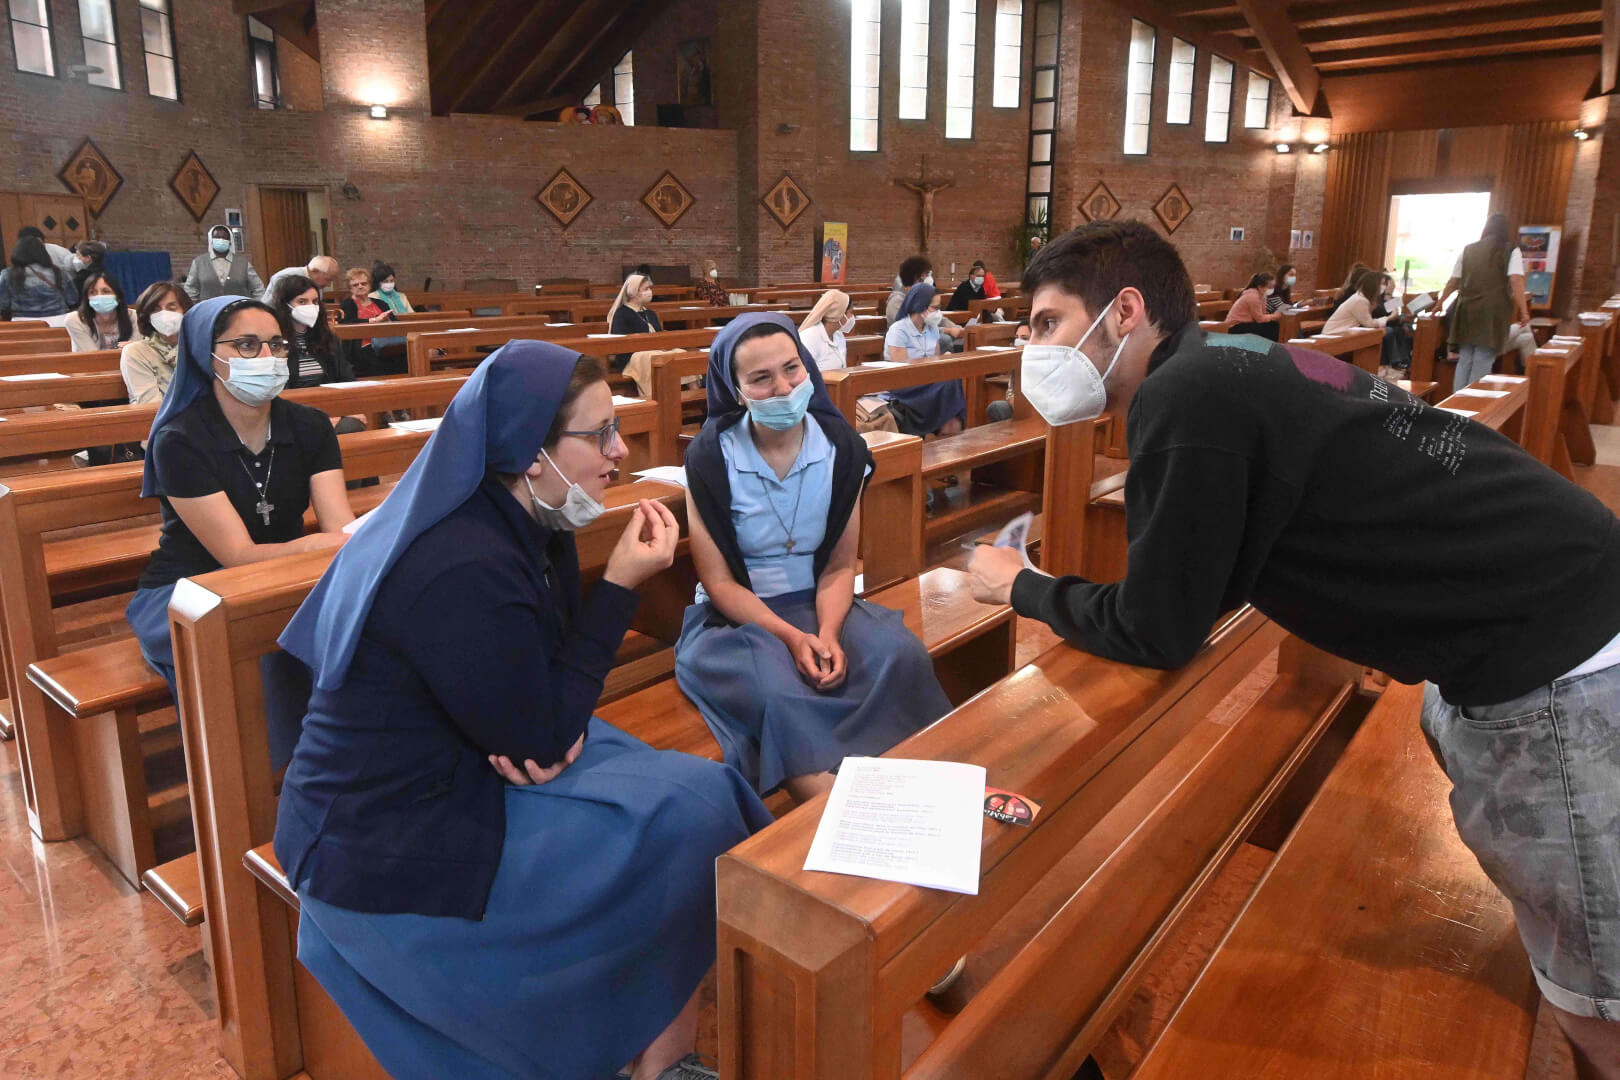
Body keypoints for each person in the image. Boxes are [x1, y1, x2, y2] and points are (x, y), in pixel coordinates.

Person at [965, 219, 1620, 1080]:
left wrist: (1019, 585)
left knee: (1599, 1006)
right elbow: (1213, 570)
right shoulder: (1231, 359)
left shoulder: (1184, 394)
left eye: (1047, 322)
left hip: (1557, 664)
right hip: (1557, 612)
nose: (1033, 348)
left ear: (1125, 312)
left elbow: (1160, 628)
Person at [272, 340, 770, 1080]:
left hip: (465, 758)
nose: (620, 451)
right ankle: (636, 1048)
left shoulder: (526, 518)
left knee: (697, 794)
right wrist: (619, 587)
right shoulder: (460, 561)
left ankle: (663, 1055)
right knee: (691, 818)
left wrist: (545, 727)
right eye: (600, 434)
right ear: (532, 454)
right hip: (386, 832)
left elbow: (543, 698)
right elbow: (540, 738)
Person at [678, 314, 950, 799]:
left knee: (898, 655)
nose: (783, 388)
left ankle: (924, 788)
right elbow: (719, 583)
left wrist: (826, 633)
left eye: (791, 369)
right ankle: (834, 812)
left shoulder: (841, 448)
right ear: (735, 390)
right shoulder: (710, 458)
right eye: (761, 378)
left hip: (822, 599)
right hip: (739, 616)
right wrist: (791, 636)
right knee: (778, 691)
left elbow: (841, 565)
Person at [125, 296, 354, 696]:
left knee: (356, 629)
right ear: (207, 354)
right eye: (247, 345)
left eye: (276, 345)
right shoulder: (179, 439)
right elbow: (238, 556)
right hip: (192, 590)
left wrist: (348, 542)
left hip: (282, 576)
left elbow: (339, 525)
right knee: (266, 655)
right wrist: (323, 545)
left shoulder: (312, 425)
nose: (267, 357)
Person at [1441, 213, 1530, 393]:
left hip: (1466, 310)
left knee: (1465, 358)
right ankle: (1473, 403)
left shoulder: (1468, 250)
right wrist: (1524, 311)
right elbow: (1516, 280)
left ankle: (1456, 403)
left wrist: (1439, 302)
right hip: (1492, 312)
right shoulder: (1510, 250)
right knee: (1483, 357)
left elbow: (1453, 281)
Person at [800, 290, 897, 433]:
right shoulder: (809, 337)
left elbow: (842, 371)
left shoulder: (838, 337)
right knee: (858, 426)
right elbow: (804, 379)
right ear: (839, 314)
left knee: (887, 416)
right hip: (818, 401)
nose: (852, 317)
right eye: (850, 312)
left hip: (841, 396)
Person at [882, 282, 966, 436]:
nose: (938, 312)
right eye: (935, 307)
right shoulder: (898, 330)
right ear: (920, 306)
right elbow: (901, 369)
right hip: (904, 384)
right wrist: (933, 363)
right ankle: (943, 428)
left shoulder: (932, 328)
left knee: (953, 378)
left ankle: (950, 428)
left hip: (927, 379)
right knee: (948, 384)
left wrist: (943, 359)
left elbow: (935, 360)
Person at [274, 273, 353, 388]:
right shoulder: (275, 341)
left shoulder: (326, 337)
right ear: (285, 305)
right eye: (302, 302)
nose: (311, 307)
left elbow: (345, 375)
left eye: (315, 301)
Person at [120, 281, 192, 405]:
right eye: (156, 309)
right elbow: (151, 404)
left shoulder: (198, 345)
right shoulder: (136, 352)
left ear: (185, 311)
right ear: (147, 316)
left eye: (171, 308)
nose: (164, 315)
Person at [0, 233, 77, 319]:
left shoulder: (7, 274)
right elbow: (72, 300)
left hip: (22, 321)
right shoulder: (59, 272)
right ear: (43, 252)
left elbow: (3, 304)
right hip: (57, 319)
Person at [337, 267, 397, 376]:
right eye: (355, 285)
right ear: (350, 288)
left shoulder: (381, 303)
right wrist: (374, 320)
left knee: (401, 354)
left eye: (364, 283)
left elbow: (396, 323)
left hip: (386, 344)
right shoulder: (347, 304)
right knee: (374, 358)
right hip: (361, 347)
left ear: (369, 285)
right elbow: (346, 323)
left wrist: (388, 320)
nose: (360, 286)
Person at [184, 224, 264, 302]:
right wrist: (194, 308)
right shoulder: (199, 262)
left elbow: (258, 288)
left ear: (230, 241)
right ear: (212, 241)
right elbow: (190, 290)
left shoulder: (243, 263)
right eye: (217, 237)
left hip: (238, 309)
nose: (221, 240)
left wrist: (257, 306)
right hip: (210, 309)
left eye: (224, 238)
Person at [63, 269, 134, 351]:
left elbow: (135, 352)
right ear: (87, 298)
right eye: (92, 292)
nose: (99, 296)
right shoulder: (75, 319)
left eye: (106, 291)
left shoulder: (134, 317)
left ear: (118, 296)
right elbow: (92, 355)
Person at [1322, 270, 1389, 337]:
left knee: (1386, 331)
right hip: (1334, 333)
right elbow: (1370, 323)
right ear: (1373, 285)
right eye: (1382, 284)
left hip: (1344, 331)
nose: (1384, 286)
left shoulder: (1365, 297)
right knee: (1387, 332)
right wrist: (1389, 318)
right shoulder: (1360, 300)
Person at [1224, 272, 1282, 341]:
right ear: (1260, 287)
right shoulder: (1252, 296)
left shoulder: (1261, 295)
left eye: (1273, 287)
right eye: (1270, 287)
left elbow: (1262, 314)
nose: (1272, 289)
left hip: (1245, 324)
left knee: (1272, 325)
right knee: (1272, 327)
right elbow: (1259, 319)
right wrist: (1274, 316)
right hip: (1235, 327)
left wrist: (1272, 316)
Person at [263, 254, 340, 304]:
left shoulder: (317, 285)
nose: (328, 284)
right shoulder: (286, 277)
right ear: (315, 271)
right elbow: (272, 305)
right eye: (327, 279)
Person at [885, 255, 933, 325]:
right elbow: (910, 326)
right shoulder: (896, 301)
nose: (928, 279)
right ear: (915, 278)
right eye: (925, 276)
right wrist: (944, 329)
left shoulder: (923, 299)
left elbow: (941, 320)